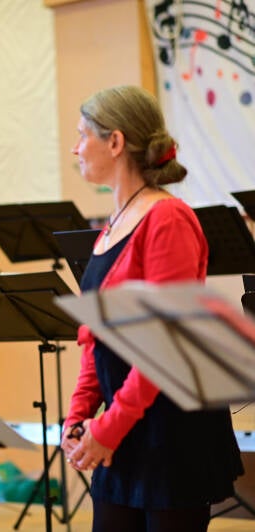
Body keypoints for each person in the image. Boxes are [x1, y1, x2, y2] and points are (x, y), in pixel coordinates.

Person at [60, 85, 243, 532]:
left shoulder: (168, 219)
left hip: (169, 431)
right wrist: (79, 416)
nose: (75, 147)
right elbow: (95, 340)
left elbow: (164, 347)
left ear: (115, 142)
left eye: (83, 135)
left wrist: (108, 427)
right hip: (124, 423)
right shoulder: (111, 226)